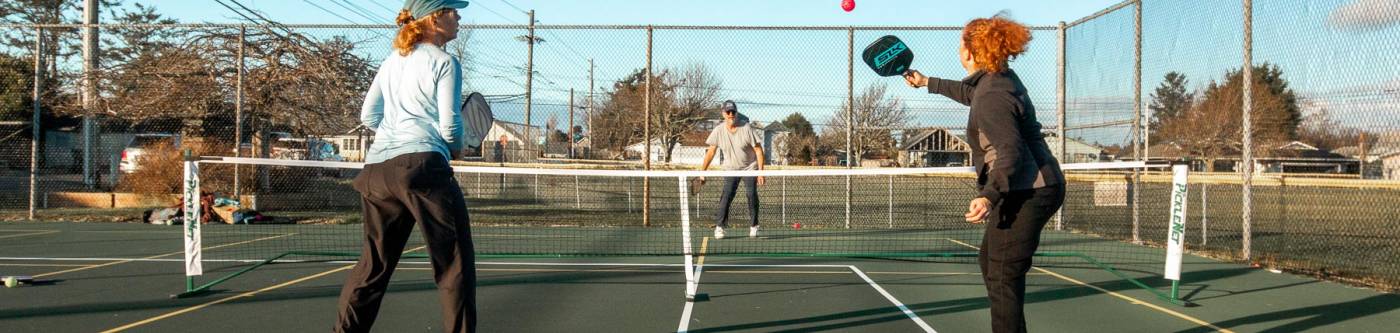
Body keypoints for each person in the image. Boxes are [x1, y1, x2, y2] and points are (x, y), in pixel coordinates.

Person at [902, 15, 1065, 333]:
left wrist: (989, 196)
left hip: (1030, 189)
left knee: (1003, 273)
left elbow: (1011, 152)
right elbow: (971, 95)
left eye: (960, 43)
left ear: (970, 51)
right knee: (992, 262)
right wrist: (926, 82)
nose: (957, 49)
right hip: (1032, 184)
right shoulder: (998, 80)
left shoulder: (991, 94)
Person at [335, 1, 475, 332]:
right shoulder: (445, 62)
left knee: (372, 268)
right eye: (452, 10)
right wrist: (458, 147)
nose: (458, 16)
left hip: (377, 172)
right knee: (454, 266)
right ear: (434, 18)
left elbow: (368, 116)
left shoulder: (390, 61)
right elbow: (451, 127)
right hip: (423, 169)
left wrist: (398, 133)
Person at [699, 100, 766, 239]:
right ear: (723, 113)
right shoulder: (718, 130)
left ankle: (754, 226)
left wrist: (760, 172)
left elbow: (759, 151)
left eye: (733, 112)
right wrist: (702, 172)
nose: (731, 114)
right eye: (728, 112)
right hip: (731, 168)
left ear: (736, 113)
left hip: (750, 167)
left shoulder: (747, 128)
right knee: (727, 195)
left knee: (751, 194)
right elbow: (711, 152)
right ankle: (719, 227)